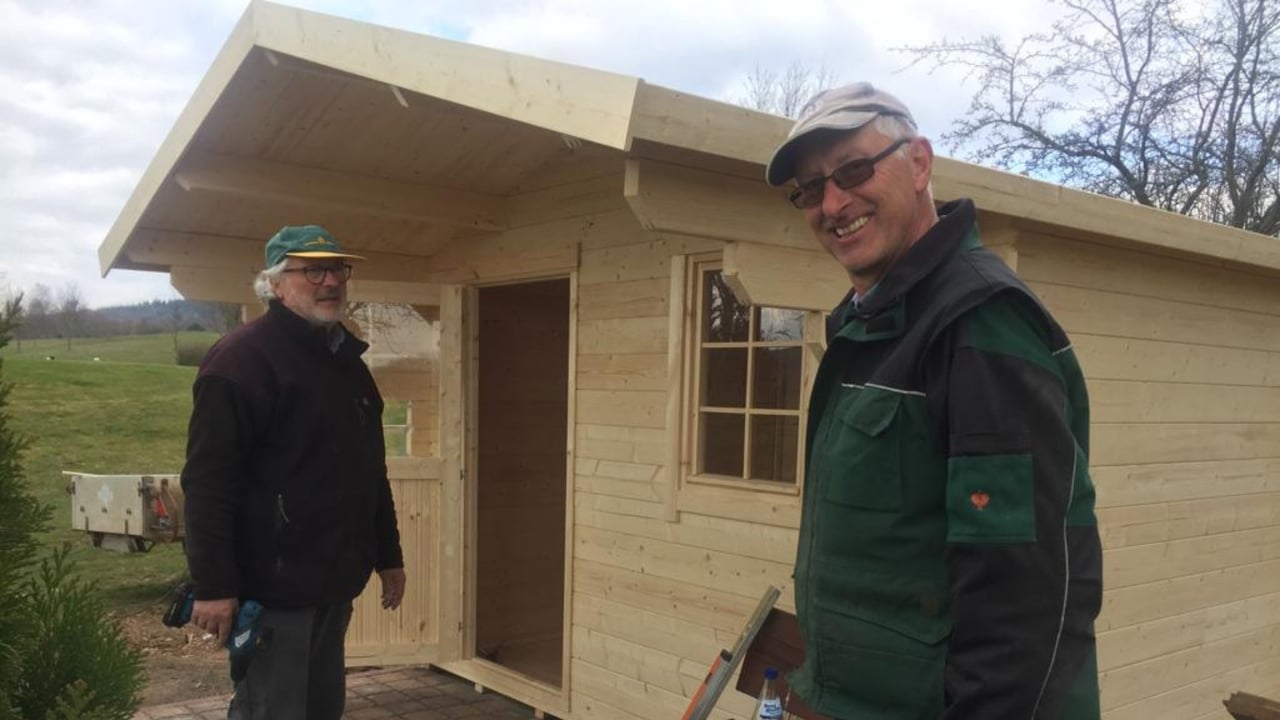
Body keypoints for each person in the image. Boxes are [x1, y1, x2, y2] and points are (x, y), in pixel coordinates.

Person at [764, 83, 1102, 719]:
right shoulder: (872, 325)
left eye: (853, 170)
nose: (833, 203)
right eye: (811, 189)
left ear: (919, 163)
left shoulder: (978, 325)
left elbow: (1022, 600)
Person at [181, 225, 406, 720]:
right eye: (314, 271)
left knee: (323, 709)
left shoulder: (348, 363)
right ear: (276, 284)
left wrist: (388, 554)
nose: (331, 282)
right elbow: (207, 485)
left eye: (338, 270)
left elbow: (371, 470)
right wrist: (214, 586)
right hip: (273, 589)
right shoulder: (240, 362)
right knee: (272, 711)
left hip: (334, 581)